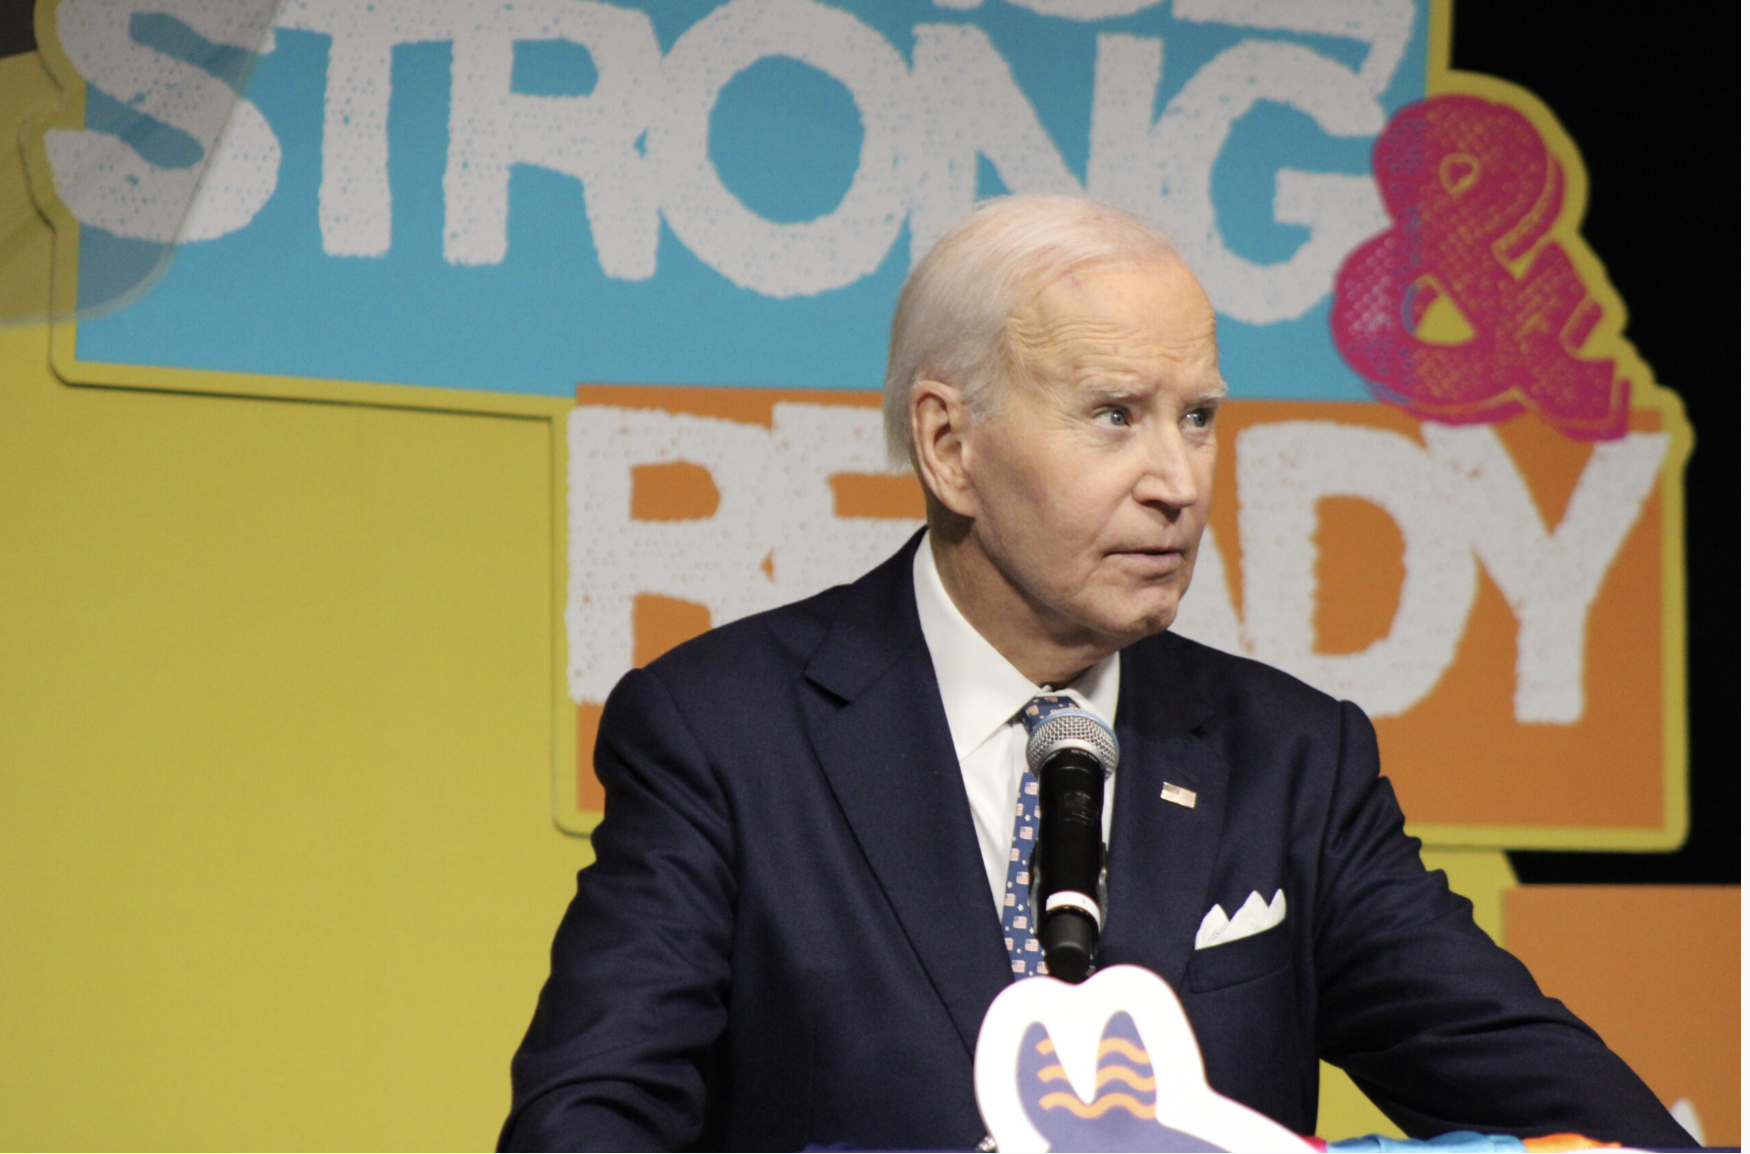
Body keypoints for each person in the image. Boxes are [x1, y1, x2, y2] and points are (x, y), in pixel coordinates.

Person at [501, 196, 1692, 1152]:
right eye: (1115, 415)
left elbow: (1569, 1101)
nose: (1177, 480)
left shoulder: (1291, 761)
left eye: (1200, 417)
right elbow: (582, 1123)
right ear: (947, 443)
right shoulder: (724, 733)